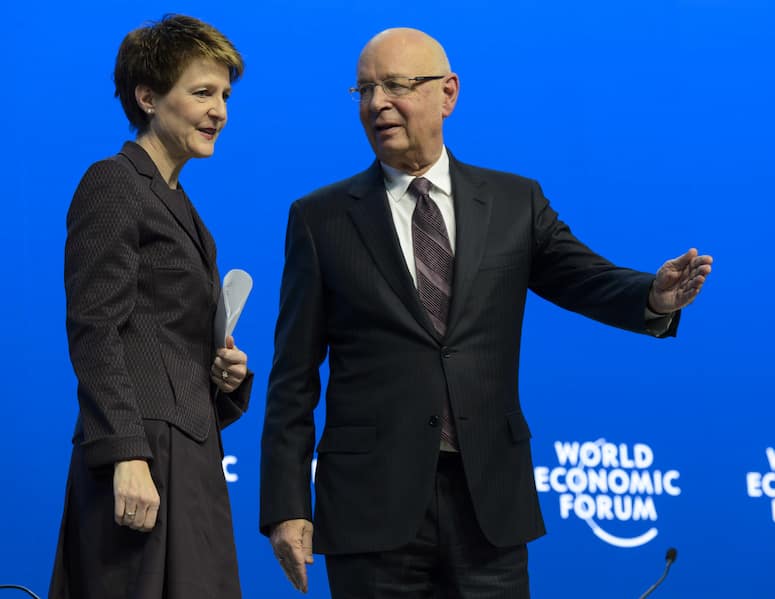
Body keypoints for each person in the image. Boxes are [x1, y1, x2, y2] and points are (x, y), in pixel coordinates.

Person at [260, 27, 713, 598]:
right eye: (364, 91)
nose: (377, 104)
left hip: (489, 507)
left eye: (396, 85)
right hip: (370, 510)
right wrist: (286, 506)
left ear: (447, 94)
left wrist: (652, 296)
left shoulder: (512, 202)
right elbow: (292, 377)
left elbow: (584, 277)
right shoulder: (320, 219)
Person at [50, 15, 252, 599]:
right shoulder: (113, 182)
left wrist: (226, 376)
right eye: (202, 93)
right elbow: (94, 328)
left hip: (190, 456)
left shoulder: (184, 209)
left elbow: (165, 340)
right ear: (147, 97)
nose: (220, 111)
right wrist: (126, 455)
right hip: (140, 460)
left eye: (225, 96)